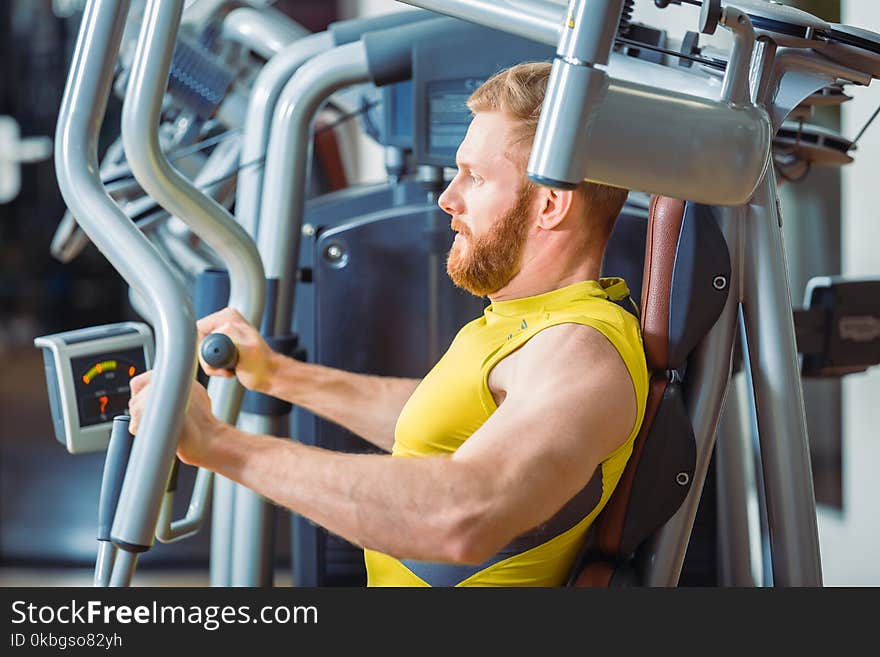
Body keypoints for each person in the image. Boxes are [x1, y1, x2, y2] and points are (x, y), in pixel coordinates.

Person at [129, 61, 649, 587]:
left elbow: (468, 514)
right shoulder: (527, 319)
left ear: (551, 205)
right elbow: (440, 423)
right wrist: (279, 375)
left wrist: (218, 445)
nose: (448, 197)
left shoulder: (579, 350)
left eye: (476, 176)